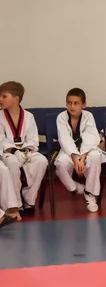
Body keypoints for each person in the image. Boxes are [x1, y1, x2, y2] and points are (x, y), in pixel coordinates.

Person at [0, 81, 48, 216]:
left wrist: (26, 150)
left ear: (16, 99)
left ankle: (29, 201)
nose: (0, 99)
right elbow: (1, 139)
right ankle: (16, 203)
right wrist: (13, 150)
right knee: (13, 163)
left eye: (4, 96)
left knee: (41, 161)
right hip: (8, 153)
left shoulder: (28, 116)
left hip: (27, 151)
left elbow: (33, 139)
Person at [54, 88, 106, 213]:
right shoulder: (61, 117)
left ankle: (90, 193)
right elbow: (64, 139)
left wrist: (82, 158)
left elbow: (90, 137)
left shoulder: (88, 116)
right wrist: (75, 159)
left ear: (84, 104)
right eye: (69, 103)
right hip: (69, 151)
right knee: (60, 164)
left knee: (95, 157)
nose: (72, 106)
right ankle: (76, 188)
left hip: (87, 150)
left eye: (76, 103)